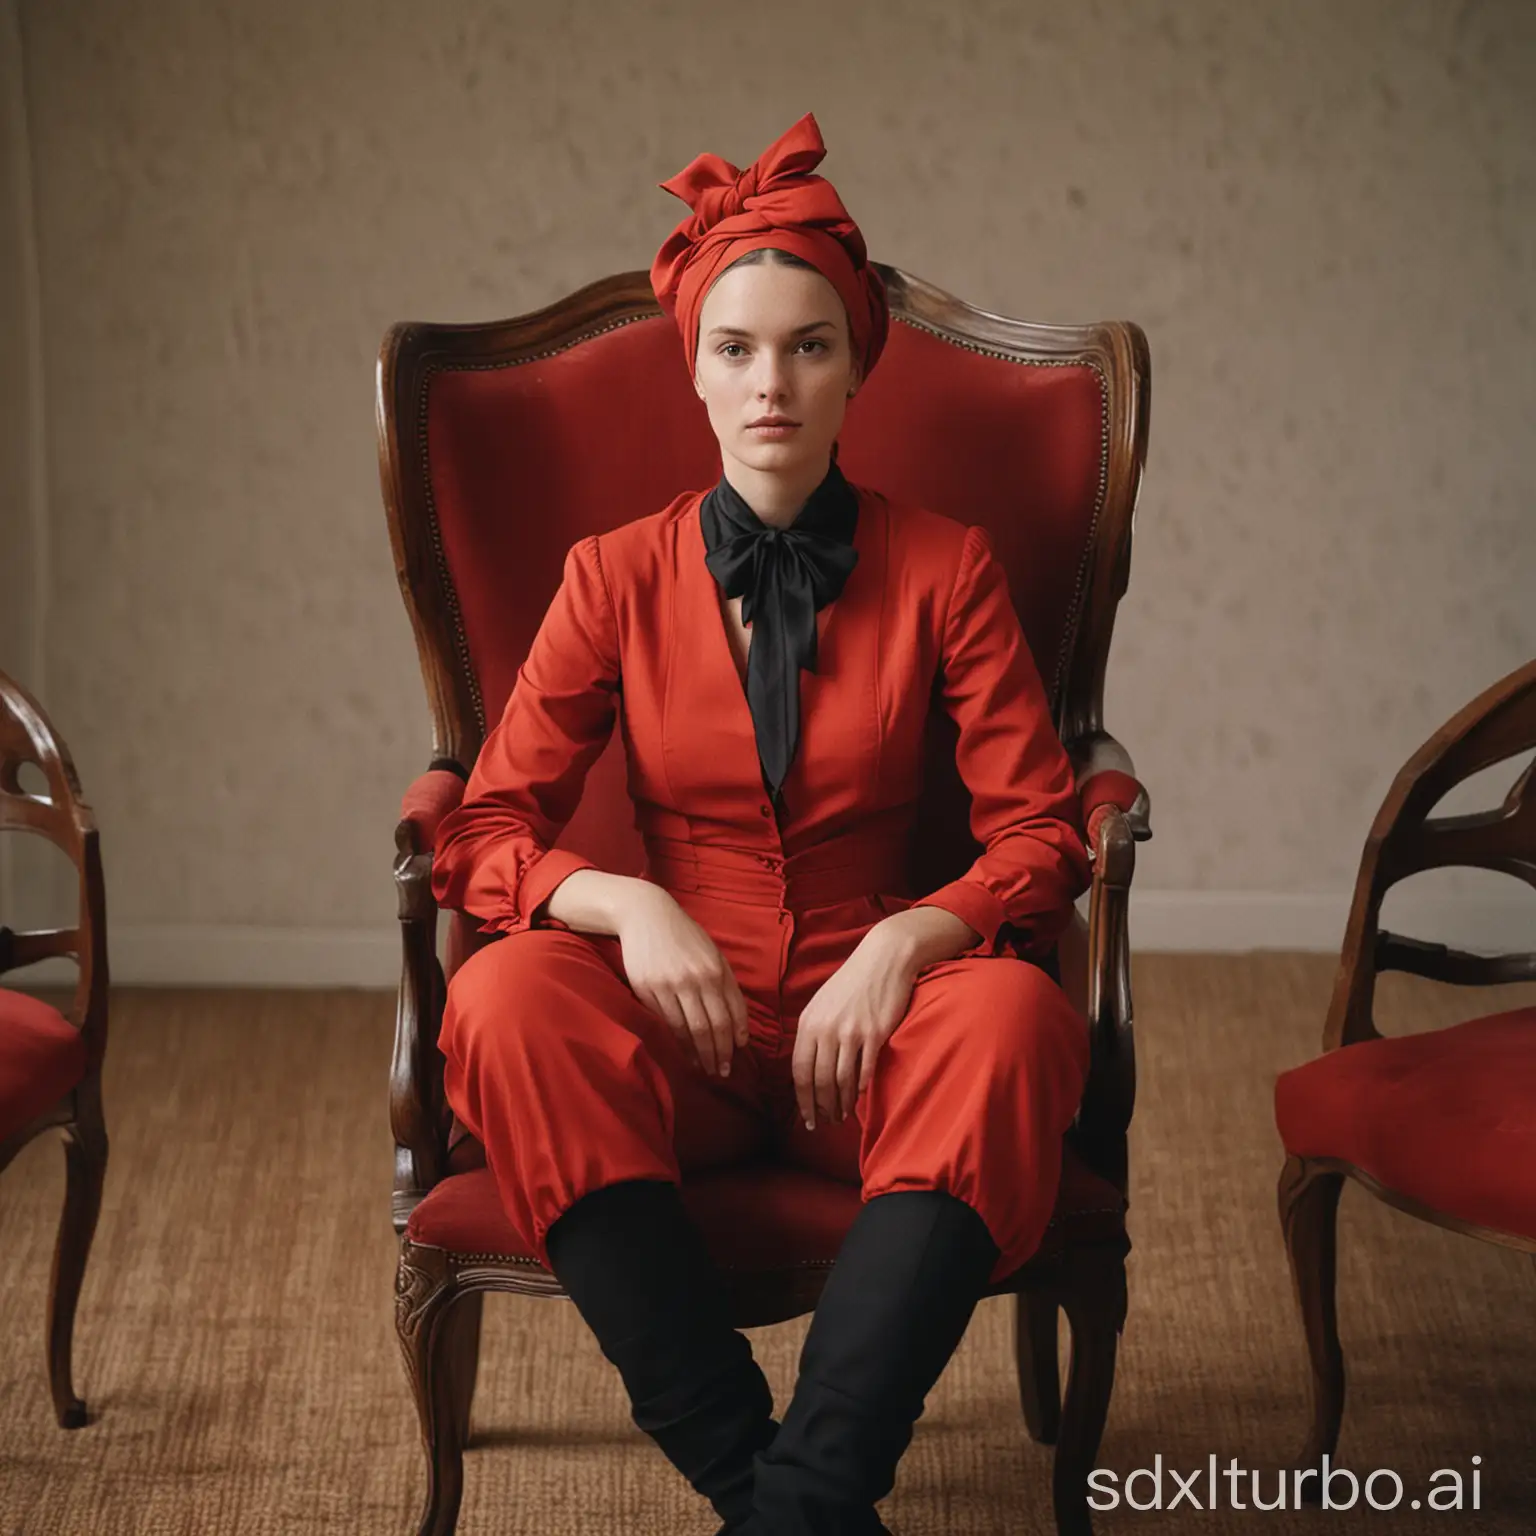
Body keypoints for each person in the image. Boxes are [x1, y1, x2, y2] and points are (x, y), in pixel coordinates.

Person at [431, 112, 1093, 1536]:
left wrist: (913, 940)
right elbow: (485, 830)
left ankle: (790, 1502)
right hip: (682, 1048)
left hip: (876, 1045)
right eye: (735, 349)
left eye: (809, 346)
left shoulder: (945, 568)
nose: (771, 382)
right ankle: (782, 1494)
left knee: (1019, 1023)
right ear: (695, 371)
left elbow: (1040, 830)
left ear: (858, 368)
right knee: (502, 1000)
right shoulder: (611, 574)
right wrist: (627, 904)